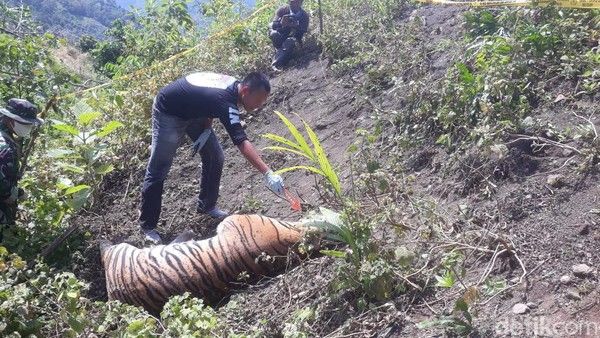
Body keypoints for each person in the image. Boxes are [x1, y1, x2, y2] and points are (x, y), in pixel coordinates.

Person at [139, 71, 285, 243]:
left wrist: (206, 128)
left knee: (215, 156)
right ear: (245, 90)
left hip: (194, 111)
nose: (260, 105)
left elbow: (207, 102)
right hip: (170, 111)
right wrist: (267, 172)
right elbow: (241, 141)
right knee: (159, 170)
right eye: (258, 100)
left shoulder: (233, 88)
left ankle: (207, 206)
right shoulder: (226, 101)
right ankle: (147, 227)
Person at [0, 98, 44, 242]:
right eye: (25, 124)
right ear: (11, 120)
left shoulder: (5, 136)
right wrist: (15, 194)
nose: (28, 128)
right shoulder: (6, 147)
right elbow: (2, 186)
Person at [269, 0, 309, 70]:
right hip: (281, 38)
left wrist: (295, 26)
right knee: (273, 34)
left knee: (289, 42)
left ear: (301, 2)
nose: (293, 3)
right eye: (292, 1)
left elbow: (303, 30)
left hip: (294, 40)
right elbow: (271, 25)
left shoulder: (304, 15)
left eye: (296, 1)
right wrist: (281, 23)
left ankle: (277, 64)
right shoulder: (283, 10)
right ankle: (281, 56)